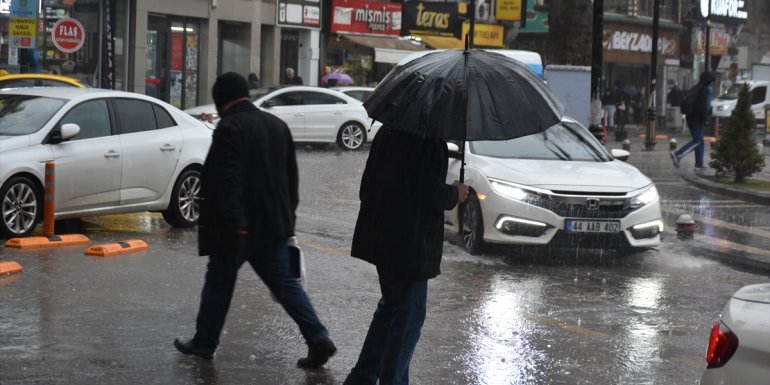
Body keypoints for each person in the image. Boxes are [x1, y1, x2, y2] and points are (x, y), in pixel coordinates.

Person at [174, 72, 336, 369]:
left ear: (222, 99)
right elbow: (291, 180)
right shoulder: (277, 125)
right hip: (274, 224)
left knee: (219, 282)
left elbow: (228, 180)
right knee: (286, 285)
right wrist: (289, 217)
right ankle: (318, 338)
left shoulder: (229, 128)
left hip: (238, 229)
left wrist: (236, 220)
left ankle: (204, 343)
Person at [342, 128, 469, 385]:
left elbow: (367, 186)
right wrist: (456, 193)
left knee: (391, 309)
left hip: (382, 238)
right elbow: (429, 194)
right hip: (409, 246)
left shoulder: (389, 131)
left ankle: (363, 377)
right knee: (408, 318)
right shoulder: (428, 140)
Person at [671, 71, 715, 171]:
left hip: (691, 117)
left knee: (700, 141)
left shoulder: (696, 87)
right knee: (697, 140)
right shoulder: (706, 90)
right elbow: (704, 107)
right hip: (697, 118)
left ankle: (699, 164)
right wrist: (706, 119)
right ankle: (677, 154)